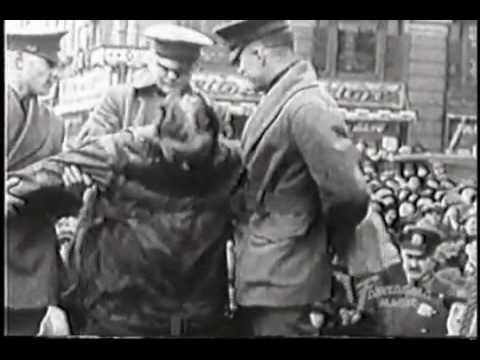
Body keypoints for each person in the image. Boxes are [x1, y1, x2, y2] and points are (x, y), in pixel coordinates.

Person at [7, 90, 243, 337]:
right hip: (123, 313)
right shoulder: (120, 152)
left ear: (216, 139)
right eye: (177, 155)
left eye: (196, 158)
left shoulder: (230, 161)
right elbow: (44, 175)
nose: (186, 166)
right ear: (157, 134)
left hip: (196, 318)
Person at [214, 20, 369, 337]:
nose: (239, 71)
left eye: (239, 60)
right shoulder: (286, 100)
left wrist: (317, 237)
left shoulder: (307, 107)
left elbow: (350, 195)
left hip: (287, 276)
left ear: (259, 54)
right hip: (270, 275)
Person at [5, 28, 71, 336]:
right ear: (19, 60)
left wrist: (70, 187)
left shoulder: (54, 125)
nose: (55, 74)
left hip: (31, 263)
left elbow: (57, 195)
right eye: (48, 63)